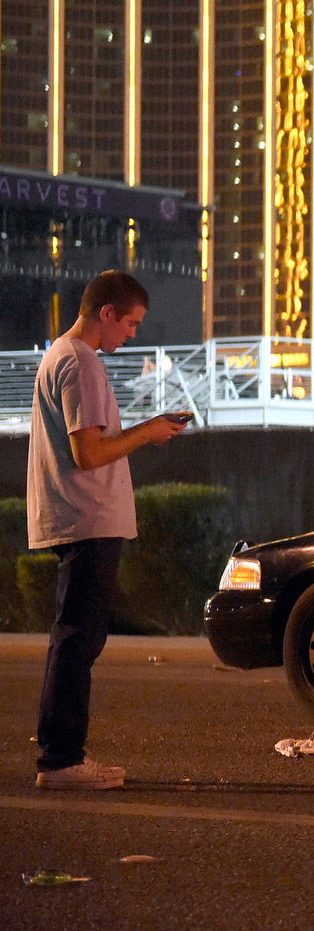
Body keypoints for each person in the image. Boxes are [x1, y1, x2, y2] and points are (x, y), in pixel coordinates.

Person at [28, 271, 188, 789]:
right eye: (131, 323)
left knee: (74, 637)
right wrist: (146, 433)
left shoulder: (61, 355)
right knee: (77, 639)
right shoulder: (81, 362)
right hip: (86, 516)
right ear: (106, 314)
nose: (134, 335)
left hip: (75, 515)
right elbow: (89, 452)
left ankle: (63, 756)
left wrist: (146, 428)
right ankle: (61, 760)